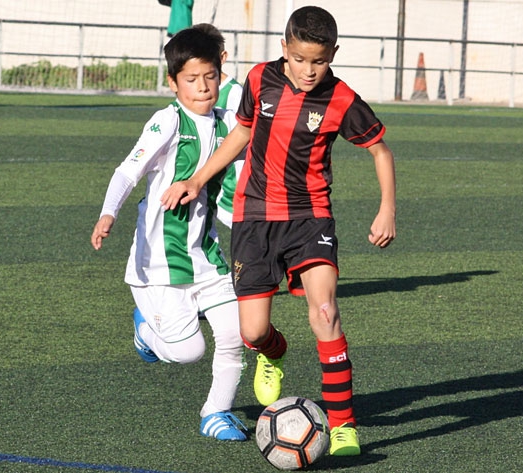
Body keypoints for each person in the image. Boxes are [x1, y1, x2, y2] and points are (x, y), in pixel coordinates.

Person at [161, 6, 397, 456]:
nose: (310, 71)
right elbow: (242, 133)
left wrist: (387, 209)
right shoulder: (258, 79)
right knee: (252, 331)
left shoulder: (342, 99)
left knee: (325, 311)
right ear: (283, 48)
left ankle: (344, 424)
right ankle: (273, 352)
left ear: (334, 54)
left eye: (320, 61)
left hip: (311, 216)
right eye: (301, 59)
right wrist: (198, 179)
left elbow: (380, 152)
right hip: (253, 217)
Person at [90, 26, 248, 442]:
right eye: (192, 79)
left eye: (210, 77)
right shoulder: (167, 121)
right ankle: (146, 332)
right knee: (189, 352)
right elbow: (128, 171)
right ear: (173, 81)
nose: (203, 87)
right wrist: (109, 213)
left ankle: (216, 412)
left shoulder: (228, 125)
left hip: (206, 254)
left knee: (237, 334)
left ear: (220, 73)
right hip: (160, 260)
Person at [192, 22, 244, 228]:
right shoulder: (192, 90)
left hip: (229, 195)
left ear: (223, 58)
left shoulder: (235, 94)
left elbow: (240, 143)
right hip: (205, 187)